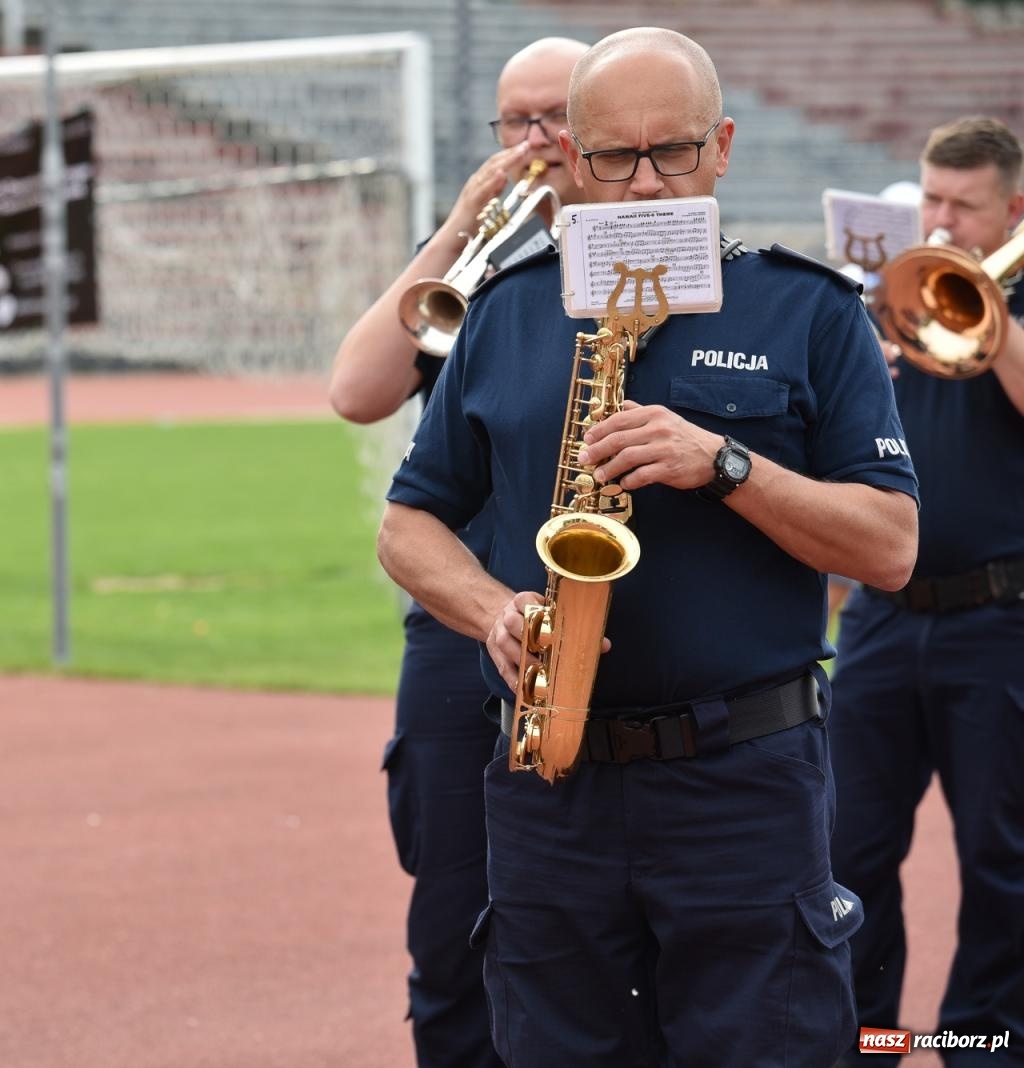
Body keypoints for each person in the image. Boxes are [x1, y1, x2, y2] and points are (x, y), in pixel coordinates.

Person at [377, 27, 919, 1066]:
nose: (643, 187)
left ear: (719, 147)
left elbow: (890, 547)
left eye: (670, 151)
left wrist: (726, 464)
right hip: (550, 782)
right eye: (614, 158)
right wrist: (494, 609)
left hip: (743, 784)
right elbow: (407, 523)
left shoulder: (807, 311)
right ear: (572, 164)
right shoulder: (506, 312)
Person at [327, 36, 585, 1068]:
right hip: (458, 619)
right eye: (514, 122)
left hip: (611, 618)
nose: (536, 143)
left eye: (555, 117)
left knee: (596, 922)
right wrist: (455, 228)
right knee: (452, 920)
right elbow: (357, 392)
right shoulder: (480, 267)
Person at [829, 115, 1024, 1060]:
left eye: (963, 205)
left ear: (1013, 208)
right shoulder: (889, 302)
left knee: (1002, 856)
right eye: (930, 199)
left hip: (1001, 619)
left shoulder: (995, 302)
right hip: (880, 615)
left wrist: (983, 306)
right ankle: (867, 1038)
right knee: (849, 847)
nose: (940, 222)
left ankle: (987, 1042)